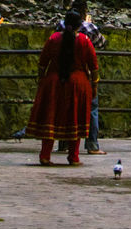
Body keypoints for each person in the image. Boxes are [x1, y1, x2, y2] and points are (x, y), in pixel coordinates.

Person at [26, 10, 99, 165]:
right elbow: (94, 67)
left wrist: (42, 81)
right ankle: (73, 157)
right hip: (77, 85)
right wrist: (94, 85)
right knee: (75, 118)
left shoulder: (53, 39)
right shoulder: (85, 41)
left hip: (53, 83)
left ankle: (45, 155)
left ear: (65, 23)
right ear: (80, 25)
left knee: (51, 117)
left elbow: (42, 64)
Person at [55, 0, 107, 155]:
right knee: (91, 109)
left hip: (63, 73)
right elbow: (102, 43)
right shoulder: (88, 30)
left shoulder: (60, 25)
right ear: (85, 12)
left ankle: (63, 143)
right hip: (83, 75)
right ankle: (92, 144)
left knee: (66, 108)